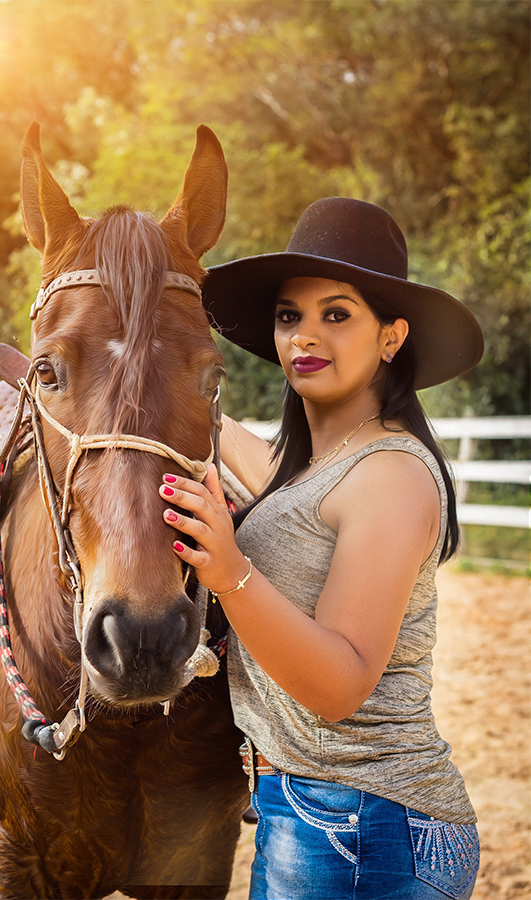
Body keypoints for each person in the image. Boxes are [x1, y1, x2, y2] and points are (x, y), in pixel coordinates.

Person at [158, 197, 484, 899]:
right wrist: (158, 395)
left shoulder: (390, 474)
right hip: (328, 812)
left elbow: (341, 684)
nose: (305, 336)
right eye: (289, 316)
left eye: (337, 314)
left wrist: (230, 570)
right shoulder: (322, 465)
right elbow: (267, 471)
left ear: (391, 337)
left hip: (363, 823)